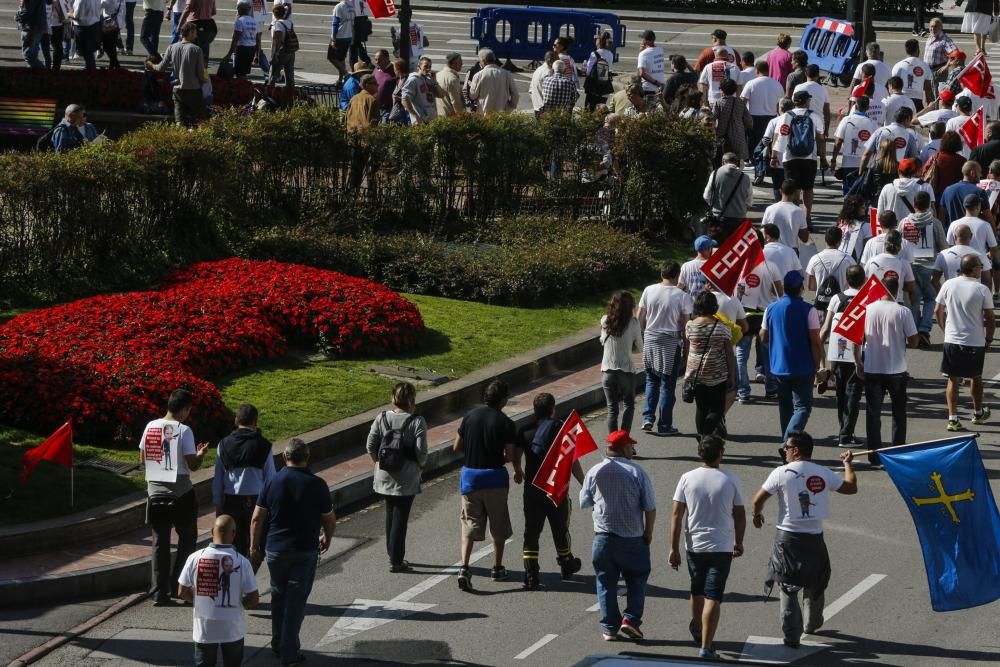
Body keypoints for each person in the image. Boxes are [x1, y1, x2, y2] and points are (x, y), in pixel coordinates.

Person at [751, 432, 857, 648]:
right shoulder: (822, 472)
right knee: (816, 580)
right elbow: (851, 487)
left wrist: (757, 515)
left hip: (787, 539)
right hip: (814, 539)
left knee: (788, 587)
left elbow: (757, 500)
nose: (784, 451)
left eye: (786, 448)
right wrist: (848, 464)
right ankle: (812, 622)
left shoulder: (781, 473)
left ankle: (791, 636)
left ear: (796, 450)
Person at [250, 439, 336, 667]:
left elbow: (257, 517)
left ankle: (278, 643)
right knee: (296, 602)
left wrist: (254, 547)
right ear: (307, 458)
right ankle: (289, 653)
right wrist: (327, 537)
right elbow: (329, 519)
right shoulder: (317, 484)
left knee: (278, 596)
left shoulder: (272, 481)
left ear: (283, 457)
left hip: (275, 549)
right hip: (304, 550)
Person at [669, 435, 744, 660]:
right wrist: (738, 542)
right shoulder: (730, 479)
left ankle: (696, 625)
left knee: (697, 589)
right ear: (720, 453)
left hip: (694, 545)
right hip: (721, 547)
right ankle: (706, 646)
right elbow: (740, 514)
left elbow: (676, 514)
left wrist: (673, 548)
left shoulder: (687, 478)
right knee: (714, 596)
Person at [580, 429, 656, 642]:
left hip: (603, 538)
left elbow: (584, 502)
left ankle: (609, 627)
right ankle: (630, 620)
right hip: (632, 538)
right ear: (624, 448)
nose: (633, 449)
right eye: (631, 446)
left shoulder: (595, 471)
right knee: (637, 579)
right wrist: (648, 532)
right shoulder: (636, 472)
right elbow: (650, 507)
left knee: (605, 583)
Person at [140, 389, 209, 606]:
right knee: (188, 539)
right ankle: (181, 587)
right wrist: (200, 455)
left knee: (160, 542)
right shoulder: (184, 430)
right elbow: (193, 465)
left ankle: (159, 592)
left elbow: (142, 459)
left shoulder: (150, 426)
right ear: (185, 409)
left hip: (155, 493)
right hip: (181, 494)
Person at [453, 380, 523, 590]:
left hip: (470, 478)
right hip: (495, 478)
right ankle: (497, 567)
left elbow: (456, 446)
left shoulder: (469, 416)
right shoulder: (506, 423)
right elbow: (509, 456)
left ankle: (464, 567)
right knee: (497, 523)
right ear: (503, 400)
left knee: (469, 523)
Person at [514, 393, 583, 590]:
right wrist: (583, 481)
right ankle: (566, 563)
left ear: (535, 411)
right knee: (560, 529)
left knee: (531, 533)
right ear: (552, 409)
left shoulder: (525, 431)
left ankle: (531, 575)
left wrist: (518, 470)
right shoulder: (561, 430)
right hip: (555, 488)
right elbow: (571, 460)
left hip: (532, 490)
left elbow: (517, 454)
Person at [853, 276, 918, 465]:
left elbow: (857, 340)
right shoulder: (903, 312)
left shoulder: (867, 310)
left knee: (873, 413)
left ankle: (874, 455)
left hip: (873, 368)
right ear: (896, 291)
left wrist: (858, 363)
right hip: (897, 369)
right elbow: (914, 341)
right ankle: (897, 453)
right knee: (899, 412)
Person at [178, 516, 258, 667]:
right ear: (233, 534)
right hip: (233, 630)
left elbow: (182, 591)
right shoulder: (242, 562)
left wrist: (199, 603)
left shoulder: (195, 558)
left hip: (204, 630)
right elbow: (254, 598)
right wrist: (239, 607)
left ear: (211, 531)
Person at [364, 382, 428, 573]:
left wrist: (379, 464)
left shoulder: (381, 418)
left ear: (393, 398)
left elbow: (370, 446)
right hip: (406, 477)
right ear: (412, 399)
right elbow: (421, 452)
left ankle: (392, 553)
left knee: (390, 514)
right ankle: (396, 560)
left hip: (384, 475)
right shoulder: (417, 421)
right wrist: (420, 467)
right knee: (401, 517)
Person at [936, 254, 996, 431]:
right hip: (974, 341)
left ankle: (953, 419)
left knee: (953, 380)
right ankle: (978, 413)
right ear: (972, 269)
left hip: (952, 340)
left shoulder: (948, 284)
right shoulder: (982, 289)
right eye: (979, 265)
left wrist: (945, 331)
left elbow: (938, 310)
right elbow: (990, 318)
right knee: (975, 377)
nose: (981, 268)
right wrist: (989, 339)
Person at [760, 271, 822, 441]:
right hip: (803, 366)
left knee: (785, 407)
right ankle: (788, 443)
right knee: (802, 407)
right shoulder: (809, 310)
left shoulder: (771, 308)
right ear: (801, 288)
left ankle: (786, 442)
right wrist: (818, 365)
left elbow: (763, 336)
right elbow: (816, 341)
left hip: (779, 366)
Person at [212, 403, 275, 558]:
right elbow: (271, 479)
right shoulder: (264, 445)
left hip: (231, 502)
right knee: (257, 545)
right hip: (257, 502)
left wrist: (219, 506)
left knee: (233, 547)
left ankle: (236, 576)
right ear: (255, 422)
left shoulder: (223, 445)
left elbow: (218, 479)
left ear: (236, 421)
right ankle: (250, 575)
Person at [639, 261, 692, 435]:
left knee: (651, 380)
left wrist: (643, 336)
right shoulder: (682, 296)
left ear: (662, 273)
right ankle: (664, 424)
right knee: (668, 385)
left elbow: (640, 316)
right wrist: (687, 348)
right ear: (677, 276)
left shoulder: (649, 290)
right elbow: (685, 324)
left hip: (650, 338)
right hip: (670, 342)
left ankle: (647, 418)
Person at [819, 265, 867, 445]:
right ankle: (846, 435)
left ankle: (844, 430)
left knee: (841, 394)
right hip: (858, 353)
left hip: (836, 353)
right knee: (853, 395)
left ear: (846, 280)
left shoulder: (836, 299)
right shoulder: (866, 300)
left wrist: (820, 356)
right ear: (864, 281)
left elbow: (825, 328)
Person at [685, 291, 735, 439]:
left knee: (701, 407)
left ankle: (702, 436)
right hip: (717, 373)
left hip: (695, 374)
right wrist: (732, 374)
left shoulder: (690, 326)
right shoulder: (722, 328)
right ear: (714, 306)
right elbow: (729, 353)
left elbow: (688, 348)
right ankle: (705, 434)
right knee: (717, 409)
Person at [771, 90, 825, 224]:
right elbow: (820, 138)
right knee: (808, 189)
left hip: (790, 157)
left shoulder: (786, 116)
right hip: (809, 157)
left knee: (793, 188)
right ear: (805, 101)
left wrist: (774, 155)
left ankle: (795, 217)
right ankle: (807, 218)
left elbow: (778, 136)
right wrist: (823, 157)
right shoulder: (814, 116)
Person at [600, 290, 642, 435]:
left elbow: (602, 341)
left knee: (612, 409)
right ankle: (624, 441)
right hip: (626, 370)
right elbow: (640, 347)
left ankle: (613, 443)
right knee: (629, 406)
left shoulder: (605, 320)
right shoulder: (634, 323)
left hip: (607, 370)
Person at [157, 22, 207, 126]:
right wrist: (205, 80)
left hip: (177, 90)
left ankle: (179, 139)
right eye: (195, 33)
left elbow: (161, 67)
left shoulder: (172, 47)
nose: (196, 35)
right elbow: (201, 73)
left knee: (179, 120)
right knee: (200, 120)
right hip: (194, 89)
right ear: (190, 32)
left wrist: (151, 65)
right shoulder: (197, 49)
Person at [830, 96, 877, 195]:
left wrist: (833, 160)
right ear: (868, 108)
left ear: (855, 106)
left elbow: (838, 142)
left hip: (848, 164)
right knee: (862, 197)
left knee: (848, 196)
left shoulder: (846, 120)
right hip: (866, 166)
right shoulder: (873, 123)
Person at [703, 152, 752, 236]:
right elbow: (749, 200)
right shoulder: (745, 177)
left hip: (719, 216)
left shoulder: (715, 173)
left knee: (719, 244)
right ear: (737, 162)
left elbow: (706, 195)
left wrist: (714, 205)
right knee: (734, 245)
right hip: (738, 217)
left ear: (723, 162)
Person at [934, 222, 992, 290]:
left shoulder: (943, 254)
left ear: (954, 237)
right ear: (971, 236)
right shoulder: (980, 255)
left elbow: (934, 280)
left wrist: (944, 295)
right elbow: (987, 279)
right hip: (973, 296)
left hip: (952, 297)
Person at [866, 229, 917, 305]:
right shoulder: (904, 263)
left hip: (873, 304)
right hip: (896, 303)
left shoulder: (871, 261)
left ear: (885, 244)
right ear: (900, 246)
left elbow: (864, 284)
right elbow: (911, 287)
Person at [742, 61, 784, 153]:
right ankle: (767, 160)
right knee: (768, 142)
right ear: (768, 71)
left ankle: (752, 160)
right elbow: (781, 104)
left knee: (753, 142)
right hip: (771, 118)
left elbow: (743, 101)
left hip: (754, 118)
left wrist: (743, 116)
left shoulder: (751, 83)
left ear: (756, 70)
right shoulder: (777, 84)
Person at [806, 227, 850, 313]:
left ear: (825, 240)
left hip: (820, 306)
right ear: (840, 241)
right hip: (840, 308)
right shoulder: (848, 260)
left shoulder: (815, 259)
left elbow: (810, 286)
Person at [877, 157, 935, 223]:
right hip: (915, 230)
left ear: (898, 171)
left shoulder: (887, 188)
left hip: (892, 231)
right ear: (914, 172)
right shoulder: (924, 187)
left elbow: (880, 214)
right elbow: (930, 212)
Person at [713, 78, 752, 166]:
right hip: (739, 135)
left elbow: (712, 118)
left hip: (722, 135)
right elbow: (749, 121)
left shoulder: (718, 103)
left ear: (722, 89)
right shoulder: (740, 102)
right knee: (737, 160)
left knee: (723, 160)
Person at [943, 187, 995, 252]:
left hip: (959, 260)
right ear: (978, 207)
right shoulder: (985, 225)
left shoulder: (953, 224)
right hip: (980, 261)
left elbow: (949, 245)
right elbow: (993, 247)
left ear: (964, 206)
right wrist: (989, 256)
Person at [761, 180, 808, 250]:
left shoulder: (770, 209)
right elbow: (805, 238)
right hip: (791, 250)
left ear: (780, 191)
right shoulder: (799, 211)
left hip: (772, 249)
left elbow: (763, 231)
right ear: (795, 193)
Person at [469, 48, 518, 113]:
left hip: (484, 112)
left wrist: (471, 85)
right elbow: (515, 94)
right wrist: (511, 106)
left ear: (483, 61)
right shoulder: (507, 74)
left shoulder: (478, 75)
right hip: (503, 111)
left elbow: (473, 95)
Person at [894, 38, 934, 109]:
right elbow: (928, 89)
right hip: (917, 102)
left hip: (901, 99)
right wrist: (930, 107)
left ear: (906, 51)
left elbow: (892, 86)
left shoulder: (897, 65)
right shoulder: (925, 66)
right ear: (917, 50)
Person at [400, 56, 441, 125]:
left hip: (432, 119)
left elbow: (441, 95)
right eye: (425, 66)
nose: (428, 69)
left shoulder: (430, 80)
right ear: (419, 67)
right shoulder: (413, 80)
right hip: (420, 121)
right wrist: (414, 116)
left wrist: (435, 81)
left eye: (430, 67)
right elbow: (404, 99)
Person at [221, 2, 257, 78]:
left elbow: (235, 39)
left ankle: (242, 88)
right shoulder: (254, 21)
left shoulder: (240, 21)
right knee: (244, 72)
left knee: (239, 73)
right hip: (252, 48)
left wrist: (229, 54)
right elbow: (257, 38)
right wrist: (257, 53)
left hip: (242, 49)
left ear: (240, 10)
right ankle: (246, 87)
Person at [792, 64, 830, 135]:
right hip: (818, 124)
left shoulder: (798, 87)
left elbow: (794, 104)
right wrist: (826, 130)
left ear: (805, 74)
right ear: (818, 75)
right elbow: (826, 112)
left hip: (801, 123)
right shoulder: (823, 89)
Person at [837, 194, 873, 263]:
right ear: (855, 209)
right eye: (862, 207)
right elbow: (868, 248)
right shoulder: (865, 226)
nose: (865, 208)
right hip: (855, 262)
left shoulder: (841, 223)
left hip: (839, 259)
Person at [266, 3, 295, 87]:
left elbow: (277, 41)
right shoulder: (289, 22)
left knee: (272, 77)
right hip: (291, 51)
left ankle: (269, 96)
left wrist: (274, 55)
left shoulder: (277, 24)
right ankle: (290, 96)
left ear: (274, 14)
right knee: (290, 77)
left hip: (281, 52)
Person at [583, 31, 614, 111]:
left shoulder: (595, 54)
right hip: (605, 87)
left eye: (596, 39)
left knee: (589, 111)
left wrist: (585, 66)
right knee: (600, 112)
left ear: (599, 41)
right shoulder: (610, 54)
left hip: (593, 88)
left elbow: (588, 71)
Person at [327, 0, 354, 81]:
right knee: (341, 59)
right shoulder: (351, 6)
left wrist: (333, 39)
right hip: (349, 35)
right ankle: (340, 79)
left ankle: (346, 74)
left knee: (331, 58)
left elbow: (335, 23)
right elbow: (353, 23)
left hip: (340, 36)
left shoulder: (339, 6)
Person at [925, 18, 957, 83]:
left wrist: (946, 66)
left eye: (935, 27)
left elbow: (955, 53)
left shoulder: (945, 40)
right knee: (927, 90)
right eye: (931, 26)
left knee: (937, 92)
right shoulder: (930, 36)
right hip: (927, 70)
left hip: (938, 71)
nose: (933, 29)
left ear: (941, 27)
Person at [636, 29, 665, 102]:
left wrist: (656, 83)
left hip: (648, 89)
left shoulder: (643, 54)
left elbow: (641, 73)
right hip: (660, 88)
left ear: (646, 41)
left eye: (643, 39)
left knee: (648, 111)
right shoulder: (660, 50)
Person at [20, 0, 48, 68]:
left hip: (32, 26)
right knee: (33, 53)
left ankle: (43, 70)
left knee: (28, 54)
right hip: (37, 26)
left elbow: (27, 11)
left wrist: (18, 17)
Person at [434, 51, 464, 116]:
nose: (462, 64)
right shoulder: (452, 79)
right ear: (453, 63)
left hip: (440, 114)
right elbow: (455, 101)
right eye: (460, 61)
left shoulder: (438, 75)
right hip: (450, 116)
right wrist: (461, 116)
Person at [99, 0, 124, 68]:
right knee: (112, 46)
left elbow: (99, 5)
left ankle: (116, 64)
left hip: (109, 24)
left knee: (107, 46)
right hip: (117, 22)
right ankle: (113, 64)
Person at [529, 50, 556, 115]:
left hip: (537, 106)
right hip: (545, 109)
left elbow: (530, 90)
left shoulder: (538, 69)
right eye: (555, 59)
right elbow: (549, 93)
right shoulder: (549, 72)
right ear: (550, 59)